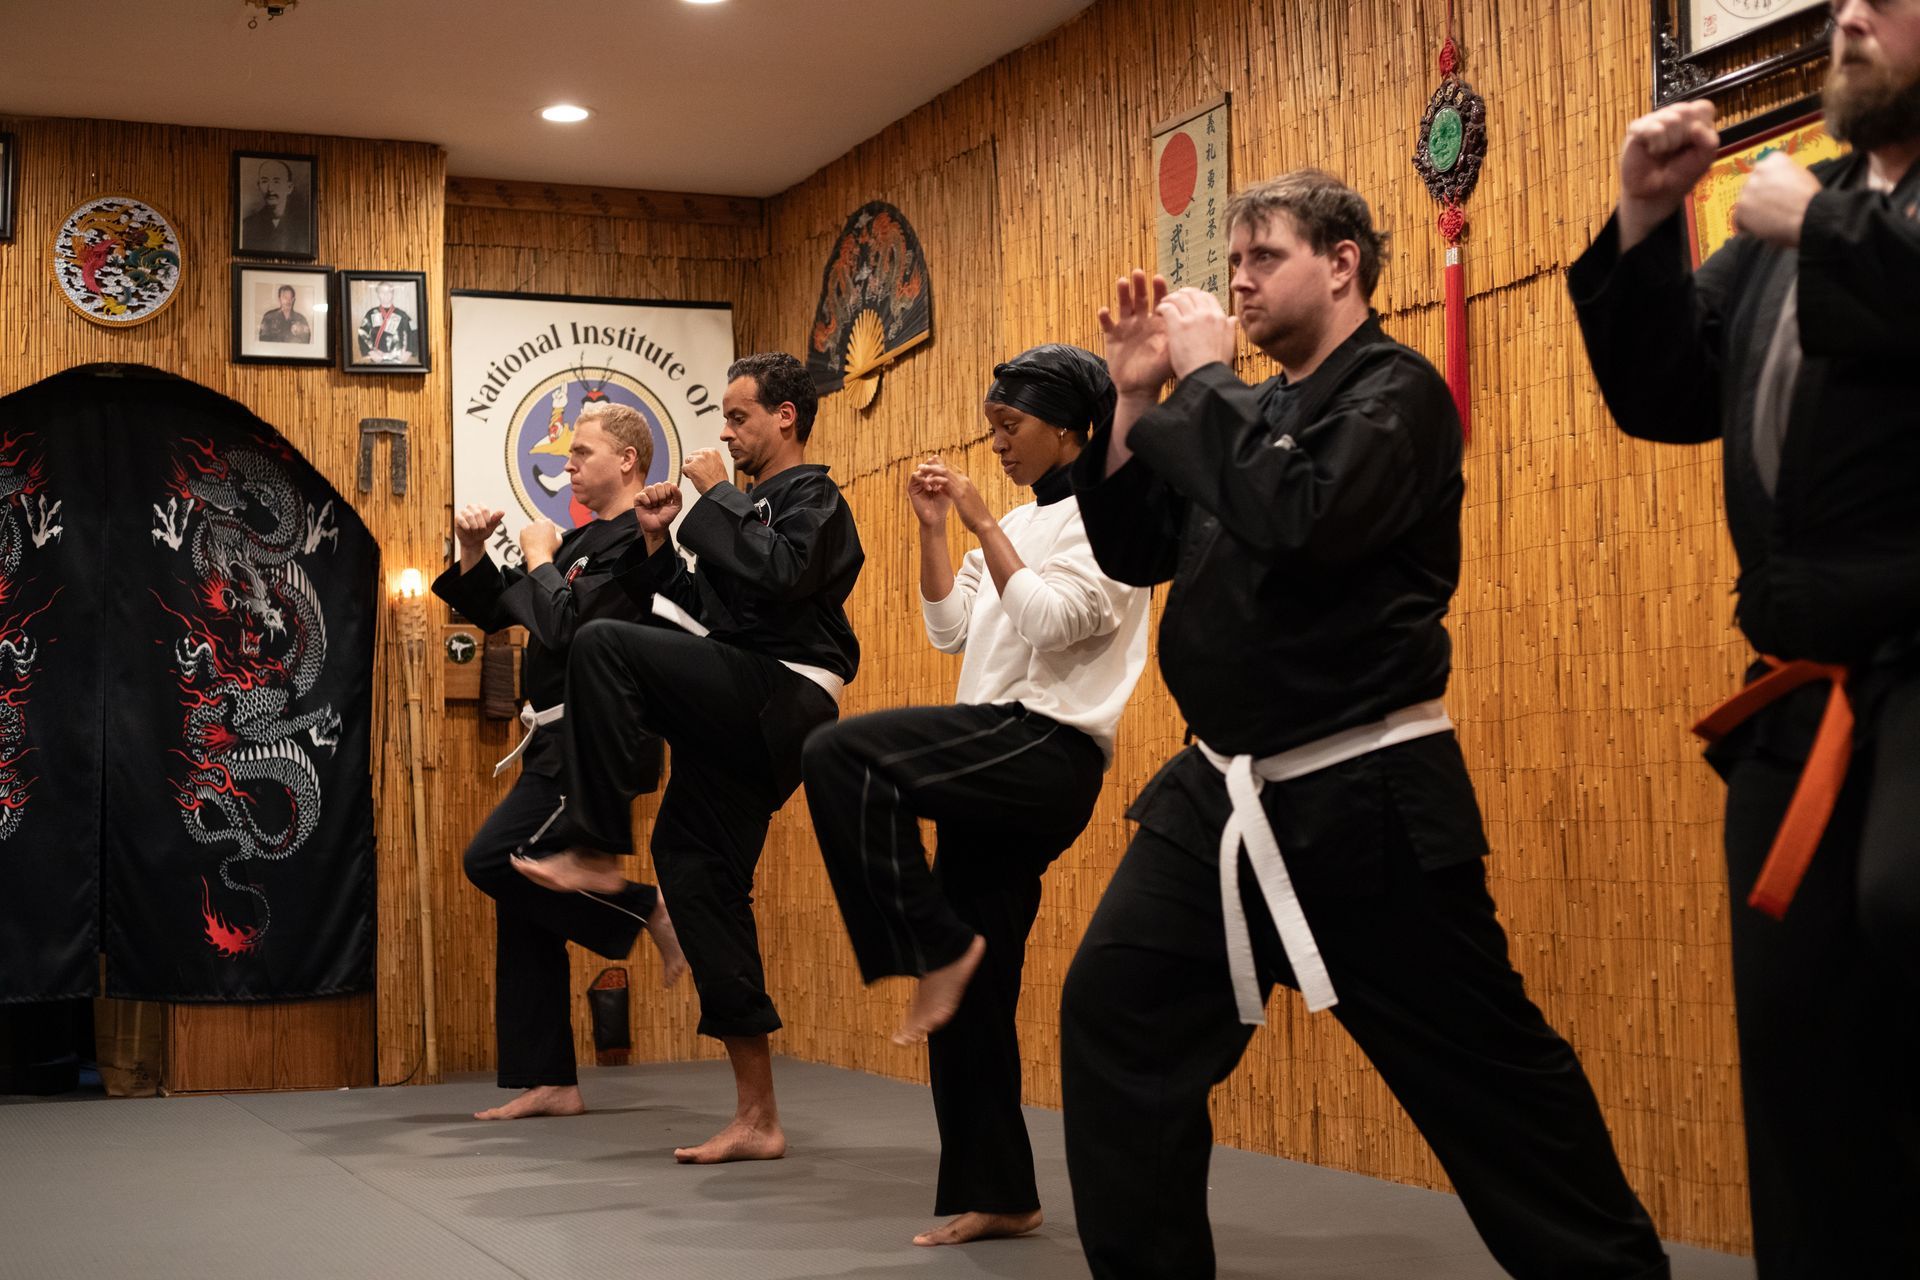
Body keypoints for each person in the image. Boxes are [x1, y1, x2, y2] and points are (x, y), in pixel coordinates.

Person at [1057, 170, 1671, 1280]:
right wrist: (1138, 398)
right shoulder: (1260, 406)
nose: (1235, 279)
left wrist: (1204, 376)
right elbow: (1139, 548)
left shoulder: (1400, 392)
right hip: (1218, 798)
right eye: (1230, 261)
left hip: (1365, 795)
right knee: (1118, 1012)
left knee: (1488, 1082)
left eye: (1263, 257)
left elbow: (1302, 516)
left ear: (1342, 263)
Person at [1567, 3, 1920, 1270]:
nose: (1850, 17)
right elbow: (1669, 388)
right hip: (1801, 697)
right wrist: (1649, 223)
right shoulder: (1797, 205)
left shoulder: (1802, 215)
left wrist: (1820, 228)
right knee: (1796, 1036)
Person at [801, 345, 1149, 1248]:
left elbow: (1048, 620)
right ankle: (1001, 1192)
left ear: (1069, 430)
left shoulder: (1114, 523)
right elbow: (951, 630)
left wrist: (984, 519)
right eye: (989, 427)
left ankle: (928, 944)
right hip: (991, 750)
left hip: (1045, 748)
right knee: (977, 995)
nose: (995, 443)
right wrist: (931, 530)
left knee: (841, 751)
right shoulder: (1021, 523)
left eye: (1011, 427)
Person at [517, 352, 864, 1164]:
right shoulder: (743, 506)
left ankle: (598, 846)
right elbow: (701, 615)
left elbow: (779, 573)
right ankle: (757, 1116)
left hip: (786, 695)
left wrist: (716, 497)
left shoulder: (814, 496)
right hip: (737, 699)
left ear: (786, 416)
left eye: (740, 416)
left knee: (602, 643)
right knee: (696, 876)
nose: (727, 431)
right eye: (725, 418)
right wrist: (659, 545)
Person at [432, 402, 686, 1122]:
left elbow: (571, 629)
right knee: (524, 895)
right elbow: (501, 611)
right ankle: (551, 1080)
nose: (566, 465)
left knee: (490, 860)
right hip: (552, 738)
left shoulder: (636, 544)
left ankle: (642, 906)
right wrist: (477, 552)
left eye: (582, 452)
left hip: (592, 741)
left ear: (629, 462)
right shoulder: (576, 541)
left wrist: (540, 558)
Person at [239, 158, 310, 255]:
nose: (270, 189)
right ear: (258, 186)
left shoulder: (304, 226)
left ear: (289, 188)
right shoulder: (247, 226)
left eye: (276, 181)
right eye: (264, 181)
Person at [357, 281, 417, 364]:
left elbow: (414, 331)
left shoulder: (401, 314)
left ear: (393, 293)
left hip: (397, 357)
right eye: (382, 292)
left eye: (389, 291)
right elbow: (362, 333)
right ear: (377, 294)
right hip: (377, 357)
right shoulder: (372, 313)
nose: (386, 294)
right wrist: (370, 353)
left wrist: (410, 351)